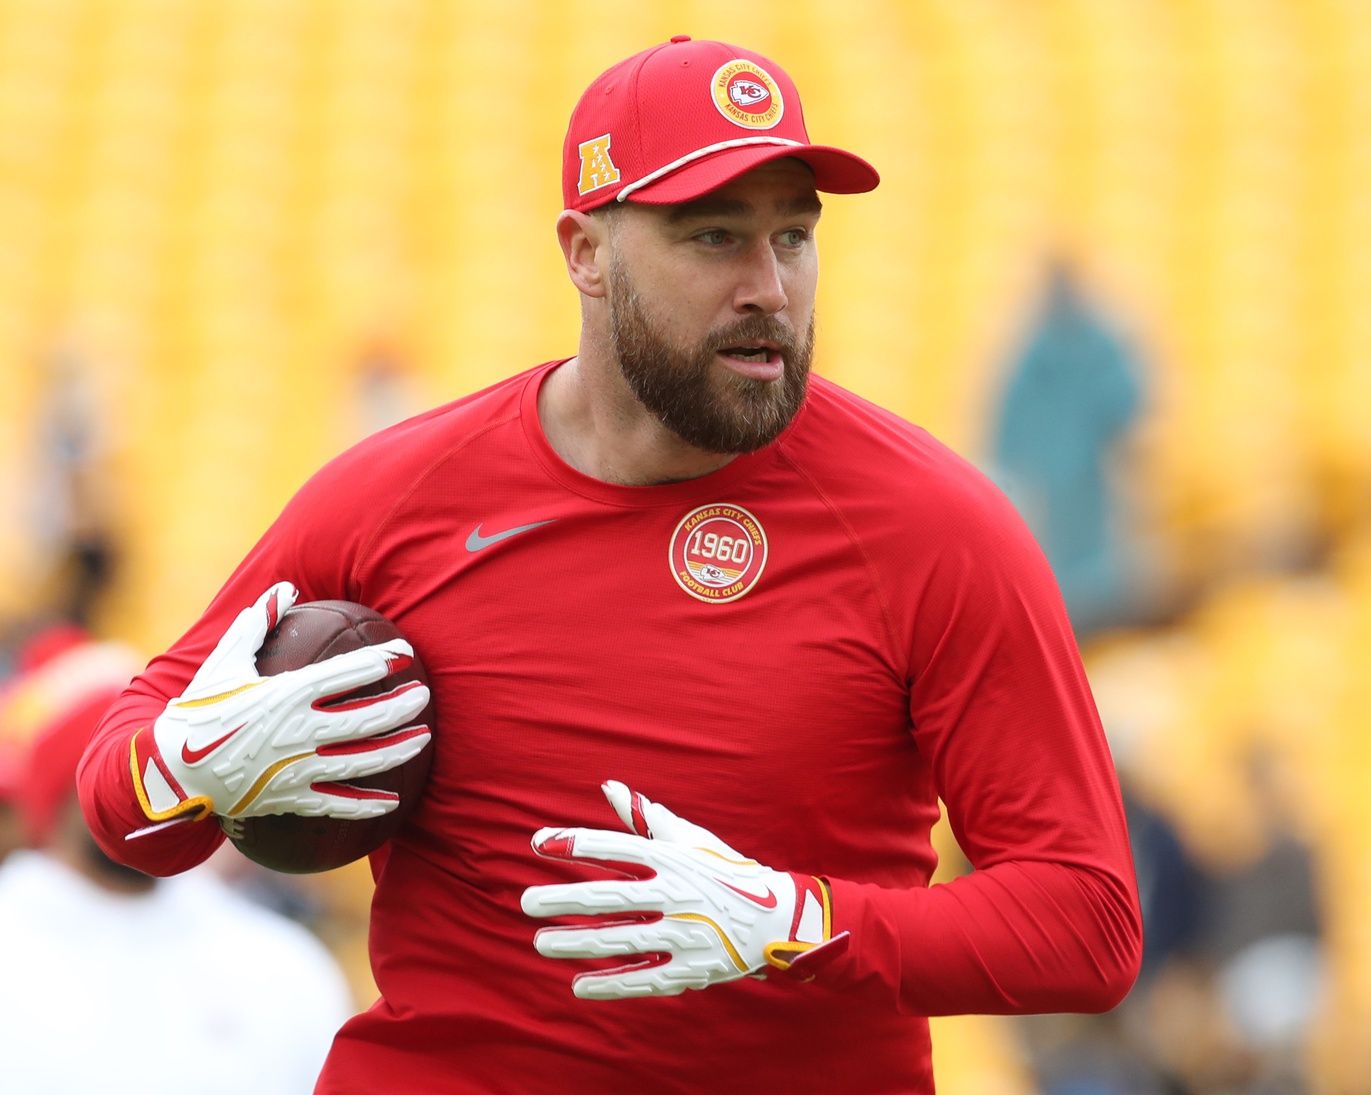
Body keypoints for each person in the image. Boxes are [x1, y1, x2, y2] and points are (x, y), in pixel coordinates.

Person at [78, 36, 1142, 1093]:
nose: (768, 286)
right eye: (715, 236)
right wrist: (182, 766)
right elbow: (122, 810)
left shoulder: (933, 527)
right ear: (586, 252)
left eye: (794, 237)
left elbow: (1087, 927)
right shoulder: (397, 494)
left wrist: (795, 923)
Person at [3, 632, 352, 1095]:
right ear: (64, 784)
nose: (141, 790)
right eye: (116, 766)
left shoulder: (280, 964)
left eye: (158, 762)